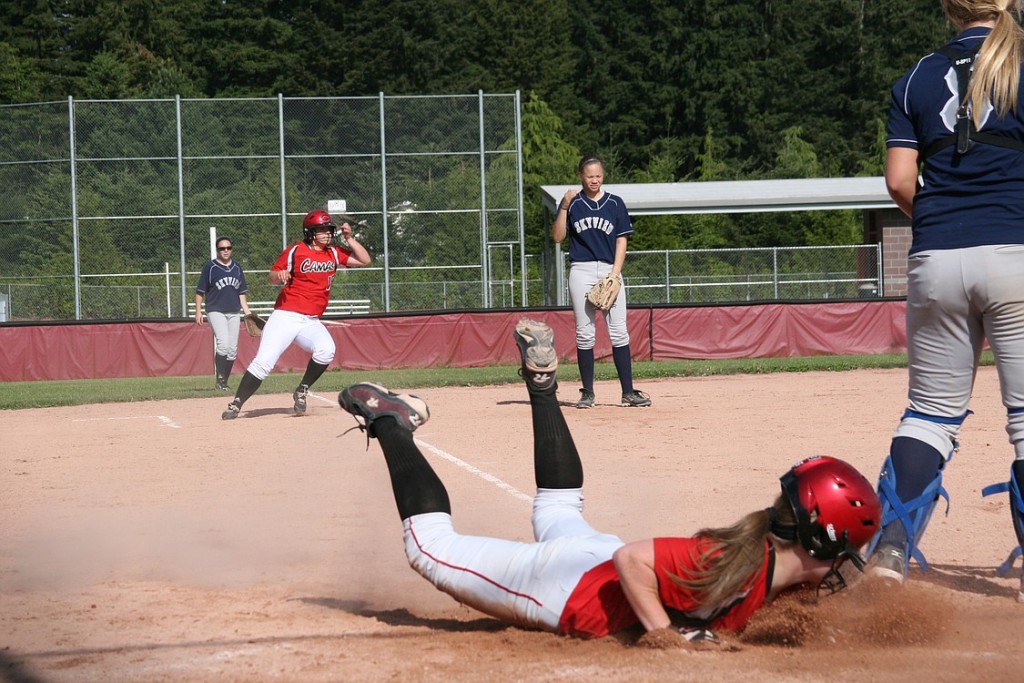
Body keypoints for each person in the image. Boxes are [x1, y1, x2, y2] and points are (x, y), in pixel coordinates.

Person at [336, 319, 882, 641]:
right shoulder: (731, 563)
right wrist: (668, 642)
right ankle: (388, 418)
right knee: (430, 548)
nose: (845, 566)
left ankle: (544, 388)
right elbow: (633, 562)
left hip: (589, 561)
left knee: (558, 510)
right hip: (561, 589)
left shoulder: (770, 570)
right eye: (846, 551)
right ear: (817, 540)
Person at [868, 0, 1024, 601]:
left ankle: (888, 552)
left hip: (937, 257)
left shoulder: (916, 76)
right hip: (1016, 250)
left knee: (930, 414)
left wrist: (941, 221)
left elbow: (900, 181)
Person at [221, 209, 371, 420]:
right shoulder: (296, 251)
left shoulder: (334, 252)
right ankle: (236, 403)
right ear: (310, 232)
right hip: (286, 316)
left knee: (326, 350)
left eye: (328, 230)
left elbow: (365, 260)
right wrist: (279, 275)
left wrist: (350, 239)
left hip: (310, 321)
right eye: (321, 230)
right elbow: (271, 277)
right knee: (264, 362)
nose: (327, 234)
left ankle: (302, 389)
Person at [551, 155, 651, 409]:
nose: (594, 180)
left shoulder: (615, 203)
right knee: (585, 334)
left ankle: (628, 392)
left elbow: (622, 240)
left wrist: (615, 274)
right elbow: (558, 237)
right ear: (581, 176)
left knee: (619, 332)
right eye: (589, 176)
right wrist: (562, 207)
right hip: (581, 270)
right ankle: (587, 393)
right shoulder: (573, 204)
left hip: (609, 269)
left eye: (598, 175)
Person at [195, 237, 253, 391]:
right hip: (215, 310)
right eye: (222, 248)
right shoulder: (210, 267)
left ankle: (223, 383)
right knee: (223, 344)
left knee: (232, 349)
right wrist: (198, 311)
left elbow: (241, 291)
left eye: (228, 247)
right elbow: (200, 291)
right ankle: (220, 380)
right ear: (217, 250)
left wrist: (247, 311)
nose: (226, 250)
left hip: (234, 311)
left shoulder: (237, 268)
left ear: (232, 249)